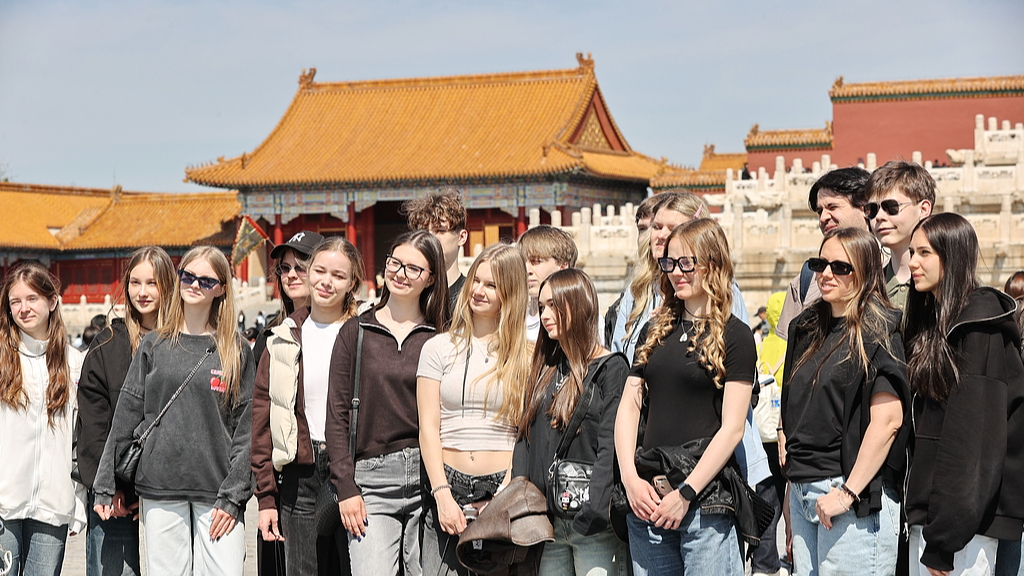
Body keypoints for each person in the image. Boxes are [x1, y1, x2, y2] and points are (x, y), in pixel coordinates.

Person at [93, 245, 256, 576]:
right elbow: (126, 415)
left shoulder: (236, 349)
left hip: (217, 490)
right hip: (161, 485)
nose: (195, 285)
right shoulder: (154, 344)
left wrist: (234, 494)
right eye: (188, 276)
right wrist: (104, 483)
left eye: (206, 280)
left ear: (222, 288)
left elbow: (247, 428)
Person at [614, 218, 756, 575]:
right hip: (647, 497)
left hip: (704, 502)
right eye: (669, 262)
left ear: (713, 263)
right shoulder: (654, 328)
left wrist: (686, 494)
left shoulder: (735, 335)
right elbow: (630, 407)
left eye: (686, 262)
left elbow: (732, 429)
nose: (676, 272)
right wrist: (630, 480)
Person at [779, 227, 909, 576]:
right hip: (804, 489)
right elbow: (795, 405)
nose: (826, 274)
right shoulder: (806, 327)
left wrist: (848, 492)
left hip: (851, 495)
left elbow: (888, 422)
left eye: (841, 267)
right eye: (820, 263)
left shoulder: (880, 330)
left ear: (865, 271)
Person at [902, 214, 1024, 576]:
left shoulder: (978, 327)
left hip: (962, 532)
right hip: (933, 520)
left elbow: (972, 444)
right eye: (911, 251)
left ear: (952, 256)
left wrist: (944, 544)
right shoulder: (934, 324)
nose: (912, 263)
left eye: (924, 252)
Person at [326, 230, 450, 576]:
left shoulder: (440, 337)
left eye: (414, 268)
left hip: (430, 479)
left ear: (431, 278)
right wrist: (346, 486)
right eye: (395, 263)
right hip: (372, 481)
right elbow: (336, 417)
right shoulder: (356, 332)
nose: (400, 273)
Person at [251, 237, 364, 576]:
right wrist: (266, 496)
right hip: (300, 470)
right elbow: (262, 415)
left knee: (354, 567)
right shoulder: (283, 336)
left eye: (338, 275)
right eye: (319, 271)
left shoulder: (364, 334)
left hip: (353, 468)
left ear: (353, 283)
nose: (325, 281)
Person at [418, 243, 530, 575]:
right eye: (476, 281)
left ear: (509, 293)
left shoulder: (527, 355)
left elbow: (526, 433)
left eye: (491, 285)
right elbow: (428, 427)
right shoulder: (437, 348)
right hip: (446, 483)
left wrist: (501, 496)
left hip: (502, 484)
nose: (478, 291)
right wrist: (441, 495)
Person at [514, 268, 629, 575]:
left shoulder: (611, 368)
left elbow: (611, 445)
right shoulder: (546, 368)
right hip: (548, 525)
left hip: (593, 525)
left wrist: (594, 509)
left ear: (578, 305)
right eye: (541, 307)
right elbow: (524, 440)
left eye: (553, 305)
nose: (544, 315)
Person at [78, 246, 176, 576]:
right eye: (135, 282)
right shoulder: (107, 344)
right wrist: (109, 486)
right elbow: (93, 424)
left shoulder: (184, 344)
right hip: (116, 495)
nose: (142, 292)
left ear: (169, 285)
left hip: (171, 491)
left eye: (153, 283)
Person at [0, 260, 87, 576]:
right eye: (15, 302)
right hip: (3, 504)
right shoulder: (2, 360)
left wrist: (77, 500)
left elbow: (80, 439)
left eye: (32, 298)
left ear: (52, 301)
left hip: (53, 504)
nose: (23, 308)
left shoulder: (74, 364)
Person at [776, 167, 871, 341]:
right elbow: (788, 353)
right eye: (820, 211)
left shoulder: (893, 271)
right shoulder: (806, 281)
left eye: (832, 207)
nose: (823, 218)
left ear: (866, 208)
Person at [751, 291, 788, 576]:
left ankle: (765, 562)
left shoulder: (764, 345)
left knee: (766, 498)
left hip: (763, 437)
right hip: (786, 435)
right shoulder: (793, 344)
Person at [865, 160, 935, 311]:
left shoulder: (949, 284)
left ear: (923, 209)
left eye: (891, 207)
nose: (879, 217)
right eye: (872, 209)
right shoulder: (869, 289)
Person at [253, 230, 325, 362]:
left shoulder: (342, 330)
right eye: (285, 268)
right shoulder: (270, 334)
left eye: (300, 268)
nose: (291, 275)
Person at [604, 193, 664, 347]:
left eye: (655, 227)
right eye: (642, 229)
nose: (649, 237)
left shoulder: (701, 288)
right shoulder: (634, 292)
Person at [403, 188, 469, 311]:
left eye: (440, 231)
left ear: (461, 237)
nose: (430, 238)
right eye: (423, 231)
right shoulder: (409, 294)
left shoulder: (471, 296)